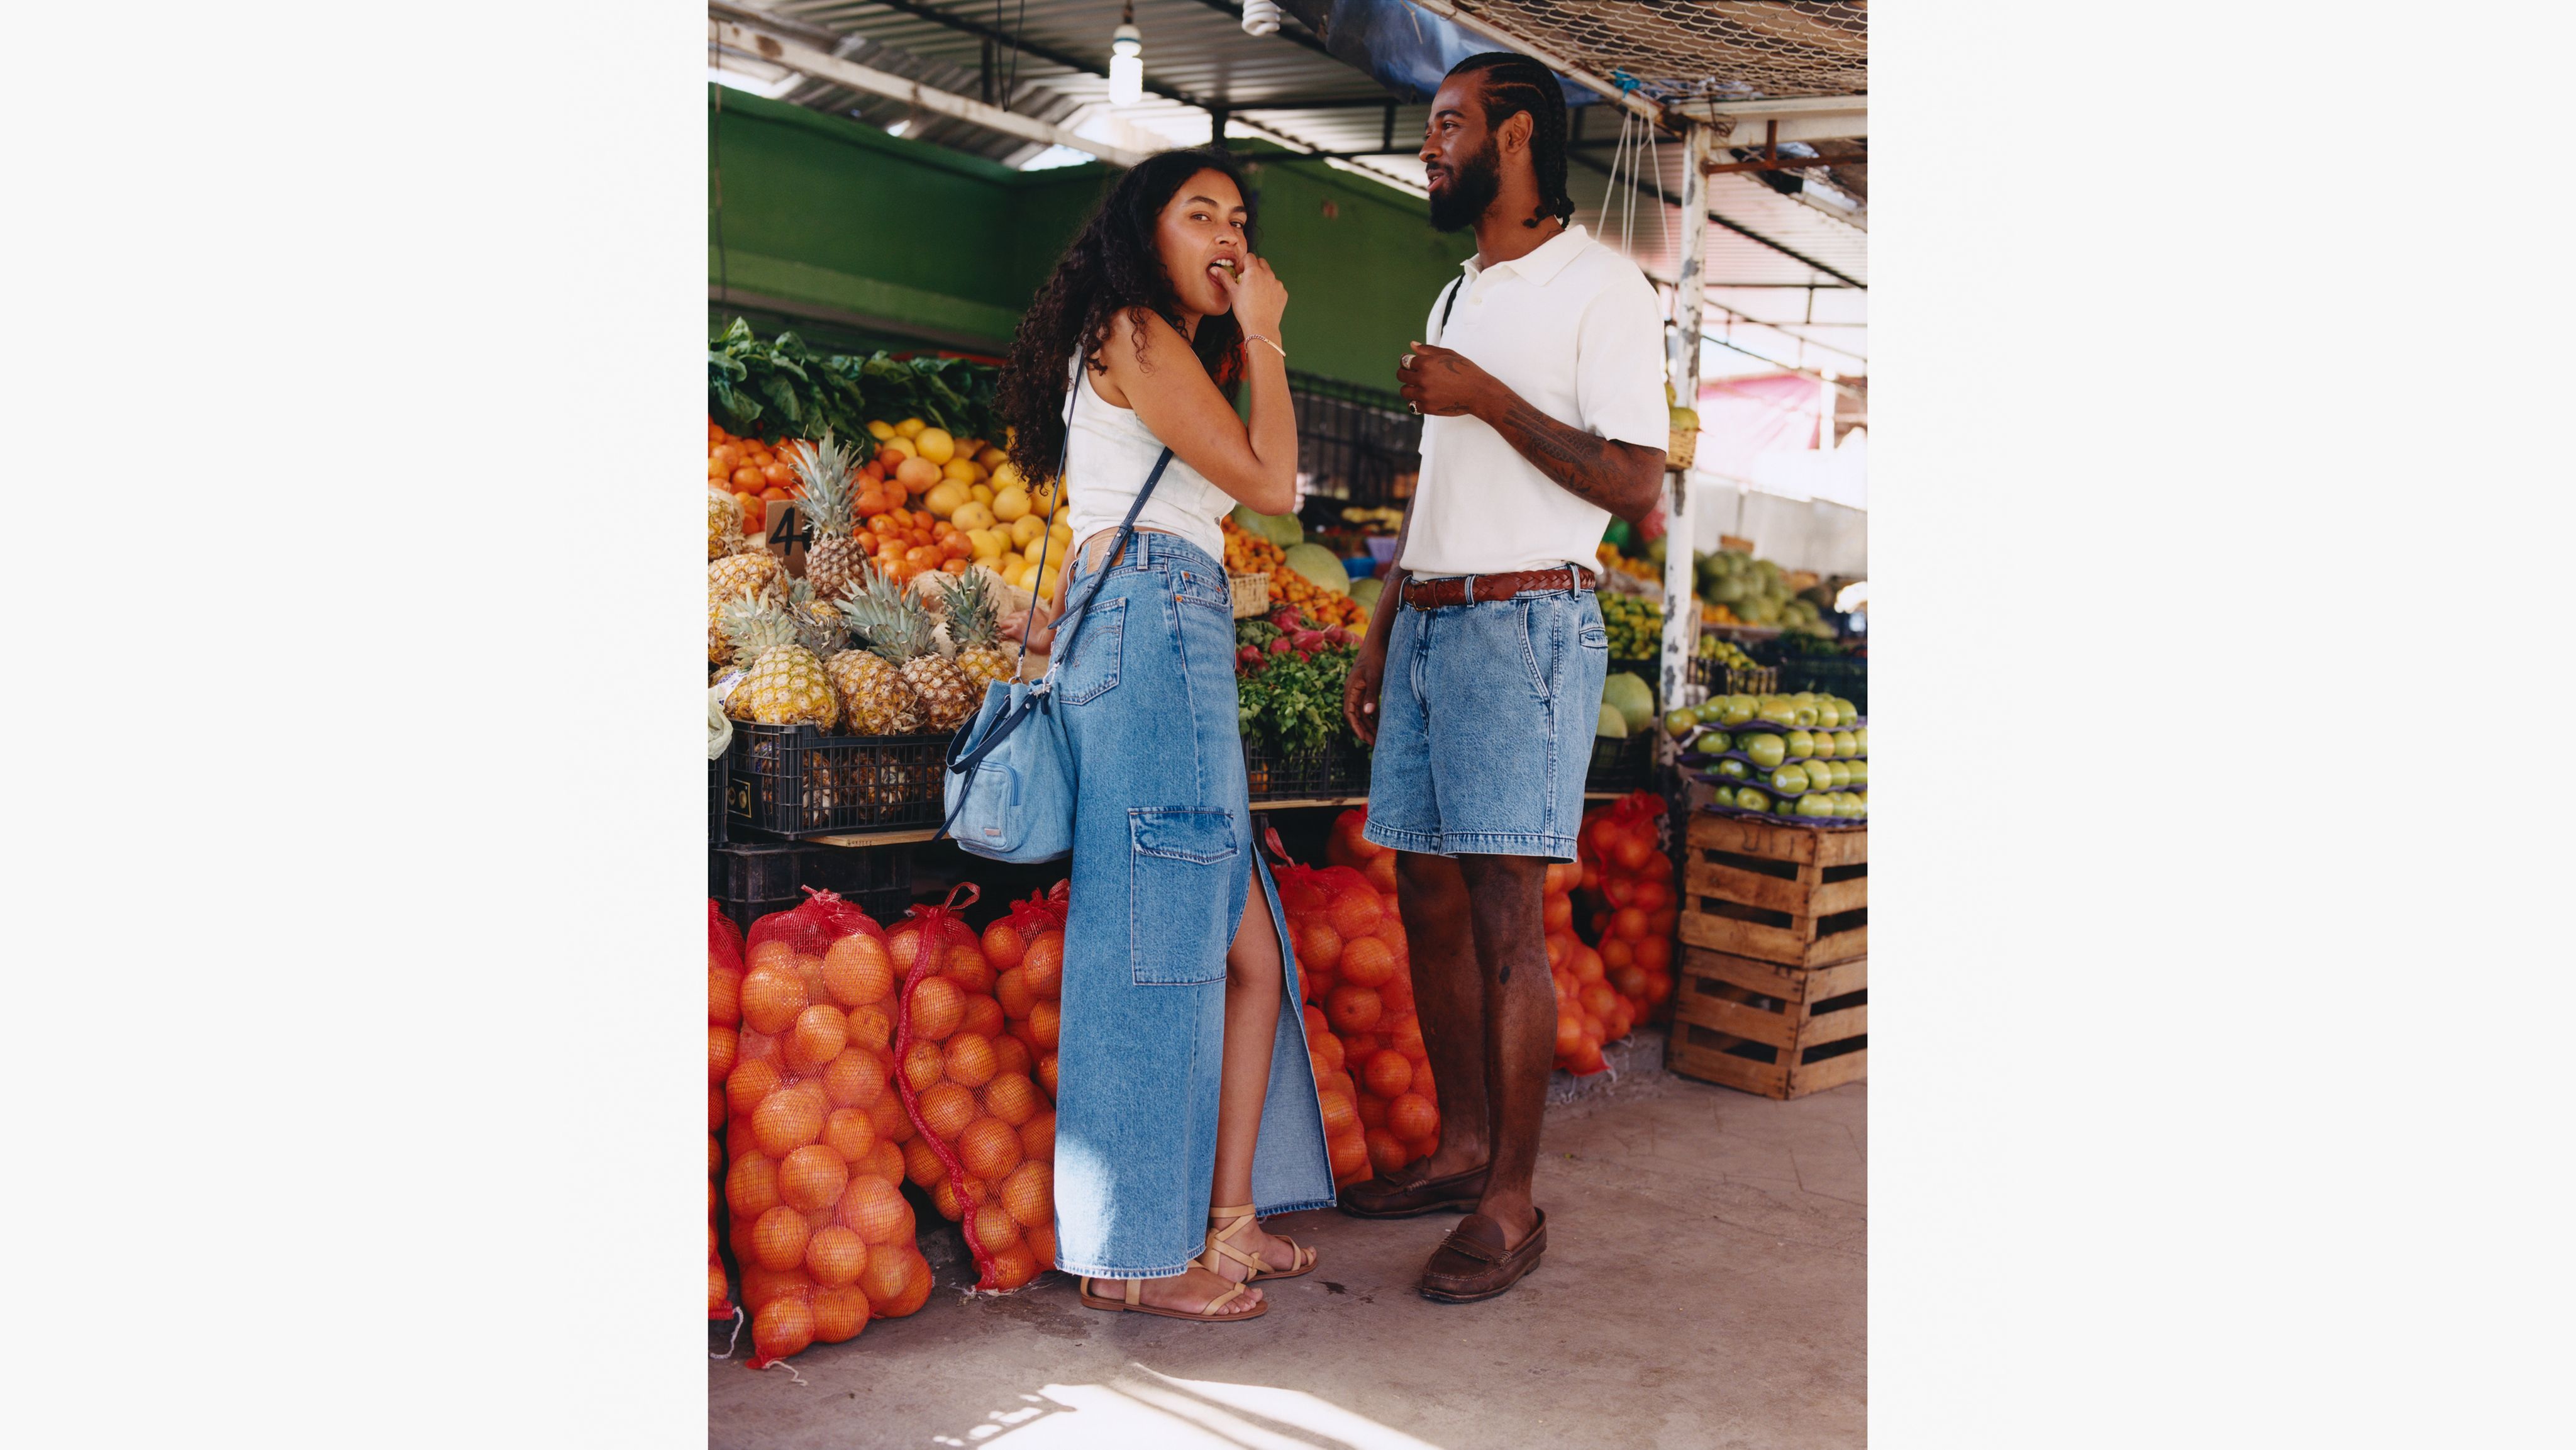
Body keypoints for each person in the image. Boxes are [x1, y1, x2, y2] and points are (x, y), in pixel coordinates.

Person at [1338, 53, 1671, 1303]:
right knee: (1423, 890)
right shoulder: (1455, 290)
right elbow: (1438, 486)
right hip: (1430, 617)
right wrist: (1382, 626)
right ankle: (1462, 1146)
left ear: (1513, 136)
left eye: (1445, 126)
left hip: (1528, 621)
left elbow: (1635, 481)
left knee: (1499, 913)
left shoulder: (1605, 289)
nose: (1428, 148)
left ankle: (1508, 1200)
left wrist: (1483, 396)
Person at [993, 147, 1334, 1322]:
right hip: (1154, 630)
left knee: (1246, 952)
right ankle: (1133, 1254)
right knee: (1153, 946)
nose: (1231, 235)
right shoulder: (1138, 329)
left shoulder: (1157, 344)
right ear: (1148, 235)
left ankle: (1227, 1213)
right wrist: (1273, 333)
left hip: (1159, 631)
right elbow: (1278, 483)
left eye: (1240, 218)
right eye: (1203, 214)